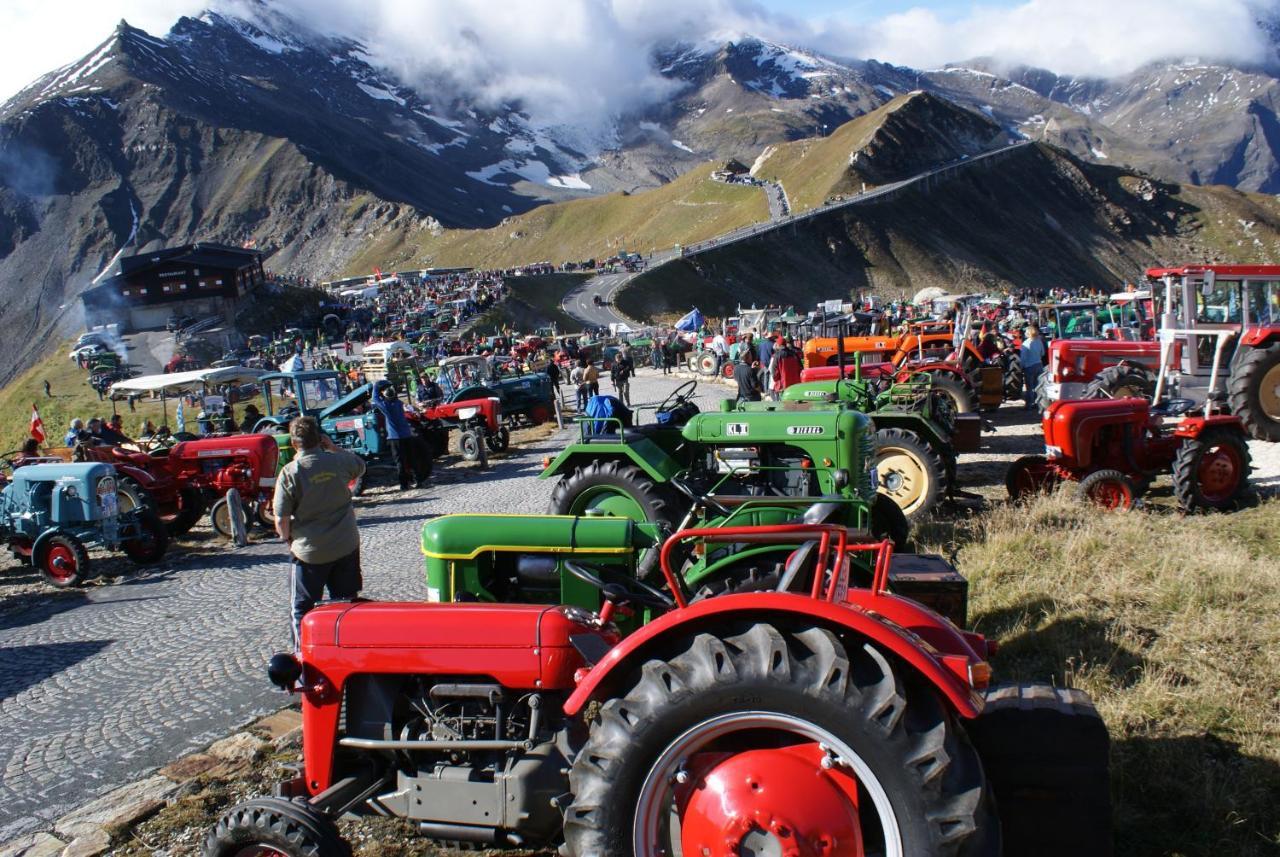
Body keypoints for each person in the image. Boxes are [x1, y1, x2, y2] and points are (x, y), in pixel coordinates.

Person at [273, 416, 366, 649]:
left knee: (301, 610)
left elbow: (281, 520)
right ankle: (349, 652)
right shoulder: (337, 462)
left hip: (310, 552)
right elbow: (360, 466)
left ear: (294, 444)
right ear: (320, 439)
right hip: (345, 544)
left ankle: (303, 662)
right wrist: (333, 448)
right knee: (347, 605)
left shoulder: (290, 473)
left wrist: (287, 539)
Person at [370, 381, 429, 489]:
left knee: (400, 462)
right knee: (412, 459)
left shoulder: (385, 406)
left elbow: (375, 399)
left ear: (385, 396)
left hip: (395, 437)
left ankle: (404, 485)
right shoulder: (398, 403)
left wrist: (376, 386)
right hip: (407, 435)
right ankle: (418, 481)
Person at [1019, 324, 1047, 411]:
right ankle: (1037, 403)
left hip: (1029, 367)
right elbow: (1043, 353)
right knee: (1038, 386)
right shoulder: (1039, 341)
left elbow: (1023, 358)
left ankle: (1029, 405)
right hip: (1039, 365)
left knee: (1029, 387)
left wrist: (1021, 367)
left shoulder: (1025, 343)